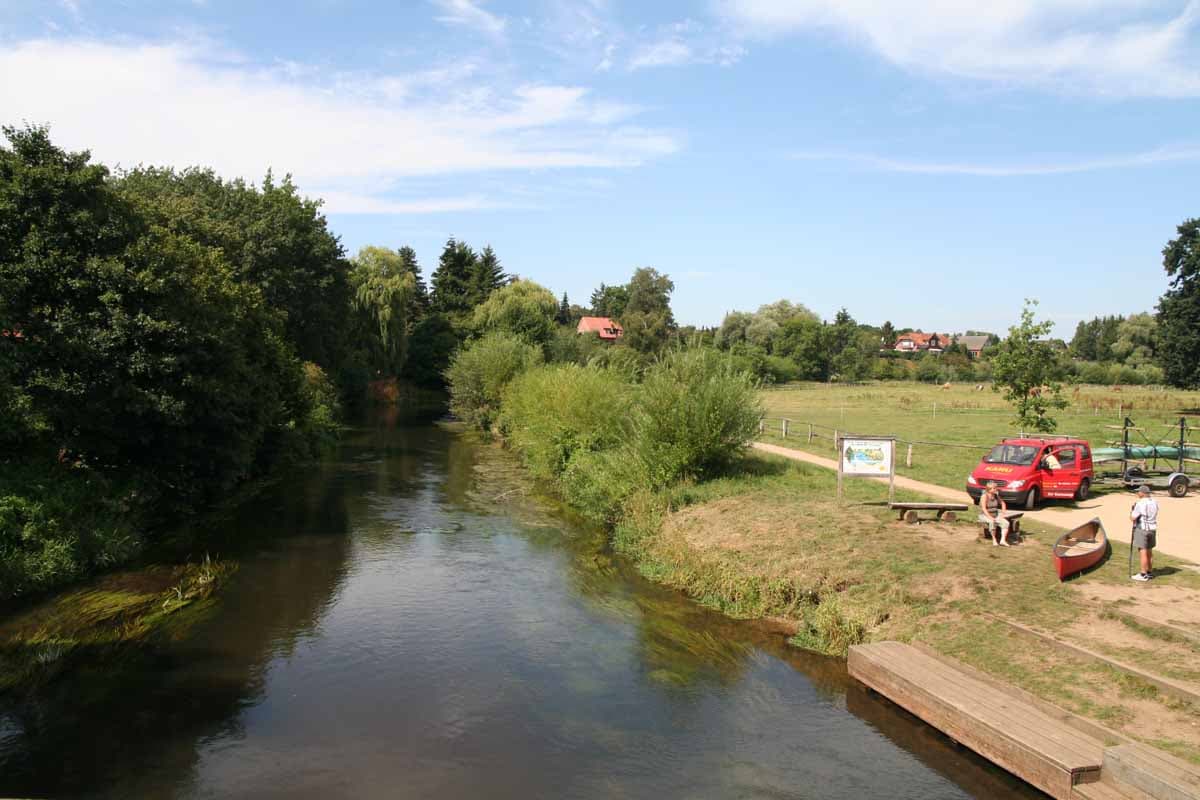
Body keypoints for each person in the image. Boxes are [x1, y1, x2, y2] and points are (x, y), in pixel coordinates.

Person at [1130, 484, 1158, 581]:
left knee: (1143, 551)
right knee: (1149, 551)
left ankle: (1143, 574)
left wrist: (1132, 510)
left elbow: (1132, 518)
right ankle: (1149, 572)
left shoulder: (1140, 503)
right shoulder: (1154, 502)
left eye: (1138, 492)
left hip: (1143, 529)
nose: (1137, 493)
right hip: (1152, 529)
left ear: (1142, 493)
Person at [981, 482, 1010, 547]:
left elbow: (1003, 503)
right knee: (992, 522)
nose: (996, 489)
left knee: (1006, 523)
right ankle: (994, 539)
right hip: (985, 515)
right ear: (989, 489)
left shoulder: (996, 496)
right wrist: (990, 517)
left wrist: (1003, 513)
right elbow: (984, 509)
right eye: (994, 488)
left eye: (995, 488)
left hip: (995, 515)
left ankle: (1002, 540)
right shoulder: (984, 496)